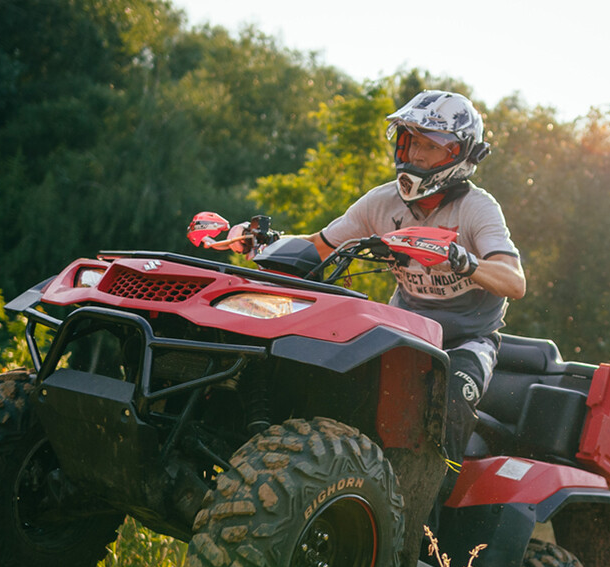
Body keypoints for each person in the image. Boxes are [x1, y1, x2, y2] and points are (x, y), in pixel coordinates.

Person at [203, 90, 525, 472]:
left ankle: (428, 518)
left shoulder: (477, 208)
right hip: (407, 330)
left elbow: (514, 282)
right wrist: (260, 241)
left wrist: (461, 259)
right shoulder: (381, 202)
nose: (417, 156)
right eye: (411, 142)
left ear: (459, 155)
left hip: (467, 340)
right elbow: (320, 246)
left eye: (431, 147)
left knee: (452, 395)